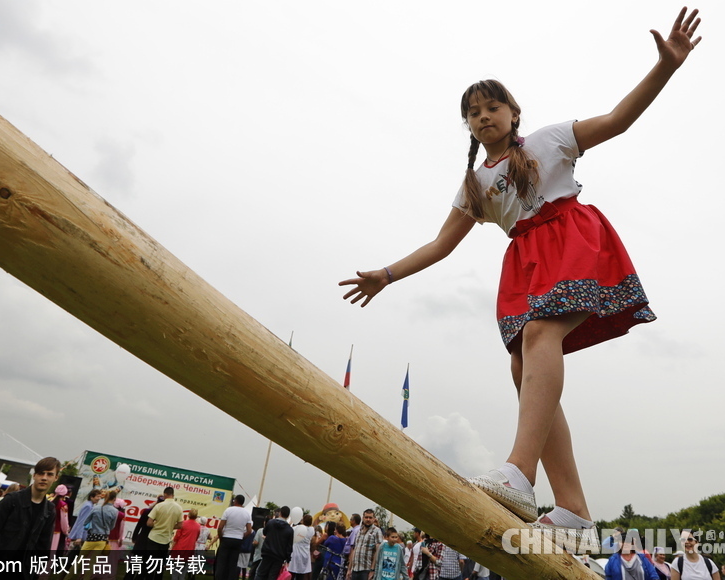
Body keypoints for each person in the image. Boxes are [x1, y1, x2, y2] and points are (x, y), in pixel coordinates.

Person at [340, 7, 703, 544]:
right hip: (526, 260)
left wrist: (665, 68)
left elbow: (619, 119)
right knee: (521, 365)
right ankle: (574, 510)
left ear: (513, 112)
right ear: (466, 124)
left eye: (493, 106)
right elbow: (442, 244)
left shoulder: (551, 141)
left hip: (572, 238)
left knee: (540, 335)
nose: (483, 115)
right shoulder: (475, 185)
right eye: (473, 111)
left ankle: (518, 472)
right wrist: (386, 275)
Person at [0, 457, 61, 578]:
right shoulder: (12, 500)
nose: (44, 477)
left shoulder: (49, 510)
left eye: (49, 474)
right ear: (34, 475)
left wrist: (33, 573)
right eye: (41, 473)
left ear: (56, 478)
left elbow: (43, 548)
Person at [144, 487, 185, 579]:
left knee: (150, 565)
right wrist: (170, 526)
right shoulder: (178, 508)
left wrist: (157, 524)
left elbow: (149, 523)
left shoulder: (159, 506)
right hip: (165, 540)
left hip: (153, 538)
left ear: (165, 494)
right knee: (160, 566)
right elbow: (180, 525)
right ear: (173, 495)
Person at [215, 494, 253, 580]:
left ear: (235, 501)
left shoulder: (228, 510)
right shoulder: (247, 513)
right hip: (238, 540)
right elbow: (249, 531)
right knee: (233, 564)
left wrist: (221, 537)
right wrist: (242, 537)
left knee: (221, 563)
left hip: (227, 538)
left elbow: (220, 527)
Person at [255, 506, 294, 580]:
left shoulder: (271, 523)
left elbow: (264, 532)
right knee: (272, 576)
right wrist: (288, 559)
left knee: (260, 574)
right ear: (288, 516)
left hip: (267, 553)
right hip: (279, 557)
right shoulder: (289, 530)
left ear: (280, 513)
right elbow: (289, 547)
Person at [347, 510, 383, 580]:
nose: (368, 519)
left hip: (367, 569)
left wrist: (372, 570)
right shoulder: (359, 531)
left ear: (373, 519)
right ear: (363, 518)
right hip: (355, 568)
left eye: (370, 517)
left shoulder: (377, 531)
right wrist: (349, 568)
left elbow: (378, 551)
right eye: (366, 517)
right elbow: (355, 549)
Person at [171, 509, 203, 580]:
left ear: (188, 515)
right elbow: (196, 538)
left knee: (175, 570)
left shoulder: (183, 524)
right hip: (190, 549)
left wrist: (171, 548)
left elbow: (176, 537)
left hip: (180, 547)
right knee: (184, 571)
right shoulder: (198, 526)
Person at [290, 514, 315, 580]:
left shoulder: (297, 528)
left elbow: (290, 529)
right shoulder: (312, 530)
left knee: (292, 572)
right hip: (305, 553)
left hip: (296, 552)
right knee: (301, 574)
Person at [51, 484, 71, 555]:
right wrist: (66, 531)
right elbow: (64, 521)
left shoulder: (49, 501)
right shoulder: (63, 505)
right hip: (56, 531)